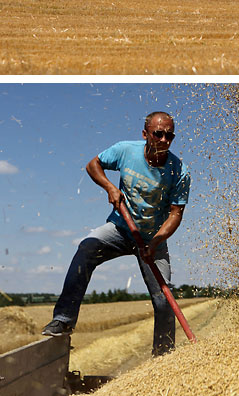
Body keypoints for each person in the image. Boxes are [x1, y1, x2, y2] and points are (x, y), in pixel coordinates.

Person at [42, 111, 190, 357]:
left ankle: (164, 358)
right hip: (120, 228)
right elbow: (93, 165)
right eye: (158, 134)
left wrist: (156, 241)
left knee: (163, 299)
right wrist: (110, 187)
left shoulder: (179, 171)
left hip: (154, 239)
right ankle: (64, 319)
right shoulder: (125, 151)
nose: (164, 140)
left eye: (170, 135)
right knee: (86, 248)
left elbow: (175, 214)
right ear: (145, 134)